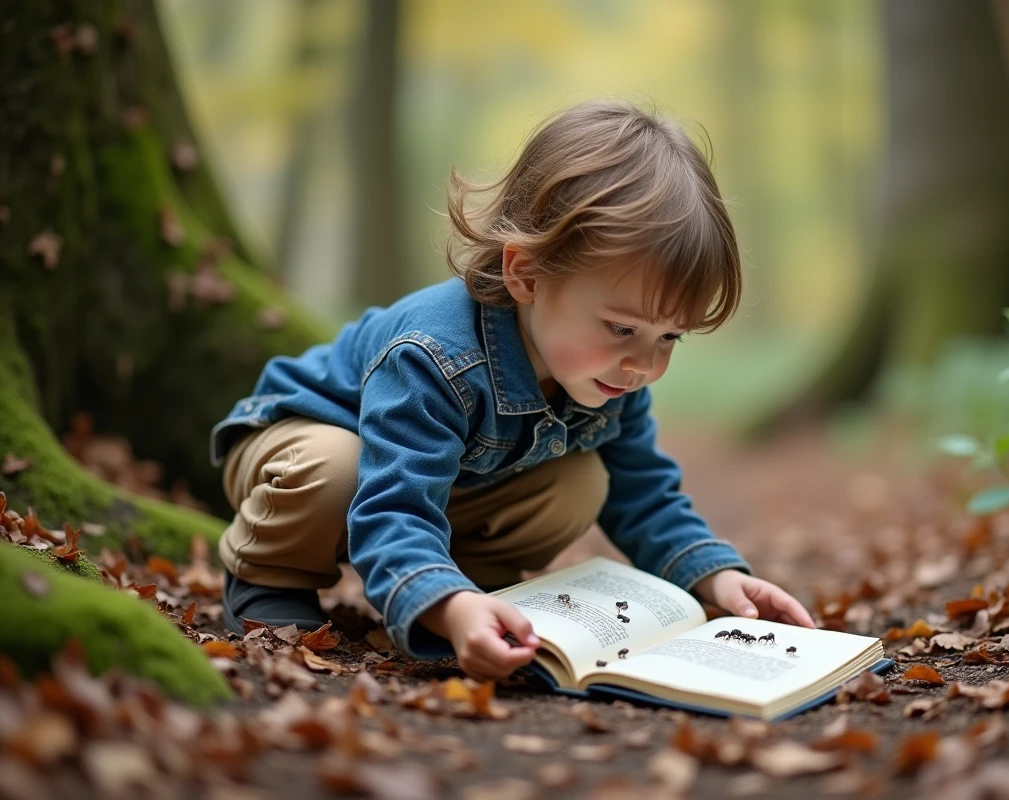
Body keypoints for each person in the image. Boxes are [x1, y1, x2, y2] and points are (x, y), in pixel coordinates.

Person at [210, 98, 815, 682]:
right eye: (623, 327)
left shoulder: (609, 375)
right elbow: (394, 500)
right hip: (297, 457)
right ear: (525, 273)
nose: (642, 364)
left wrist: (713, 576)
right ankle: (269, 574)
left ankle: (478, 586)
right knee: (336, 467)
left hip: (433, 491)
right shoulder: (434, 358)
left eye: (669, 339)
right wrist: (438, 604)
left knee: (583, 482)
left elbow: (644, 491)